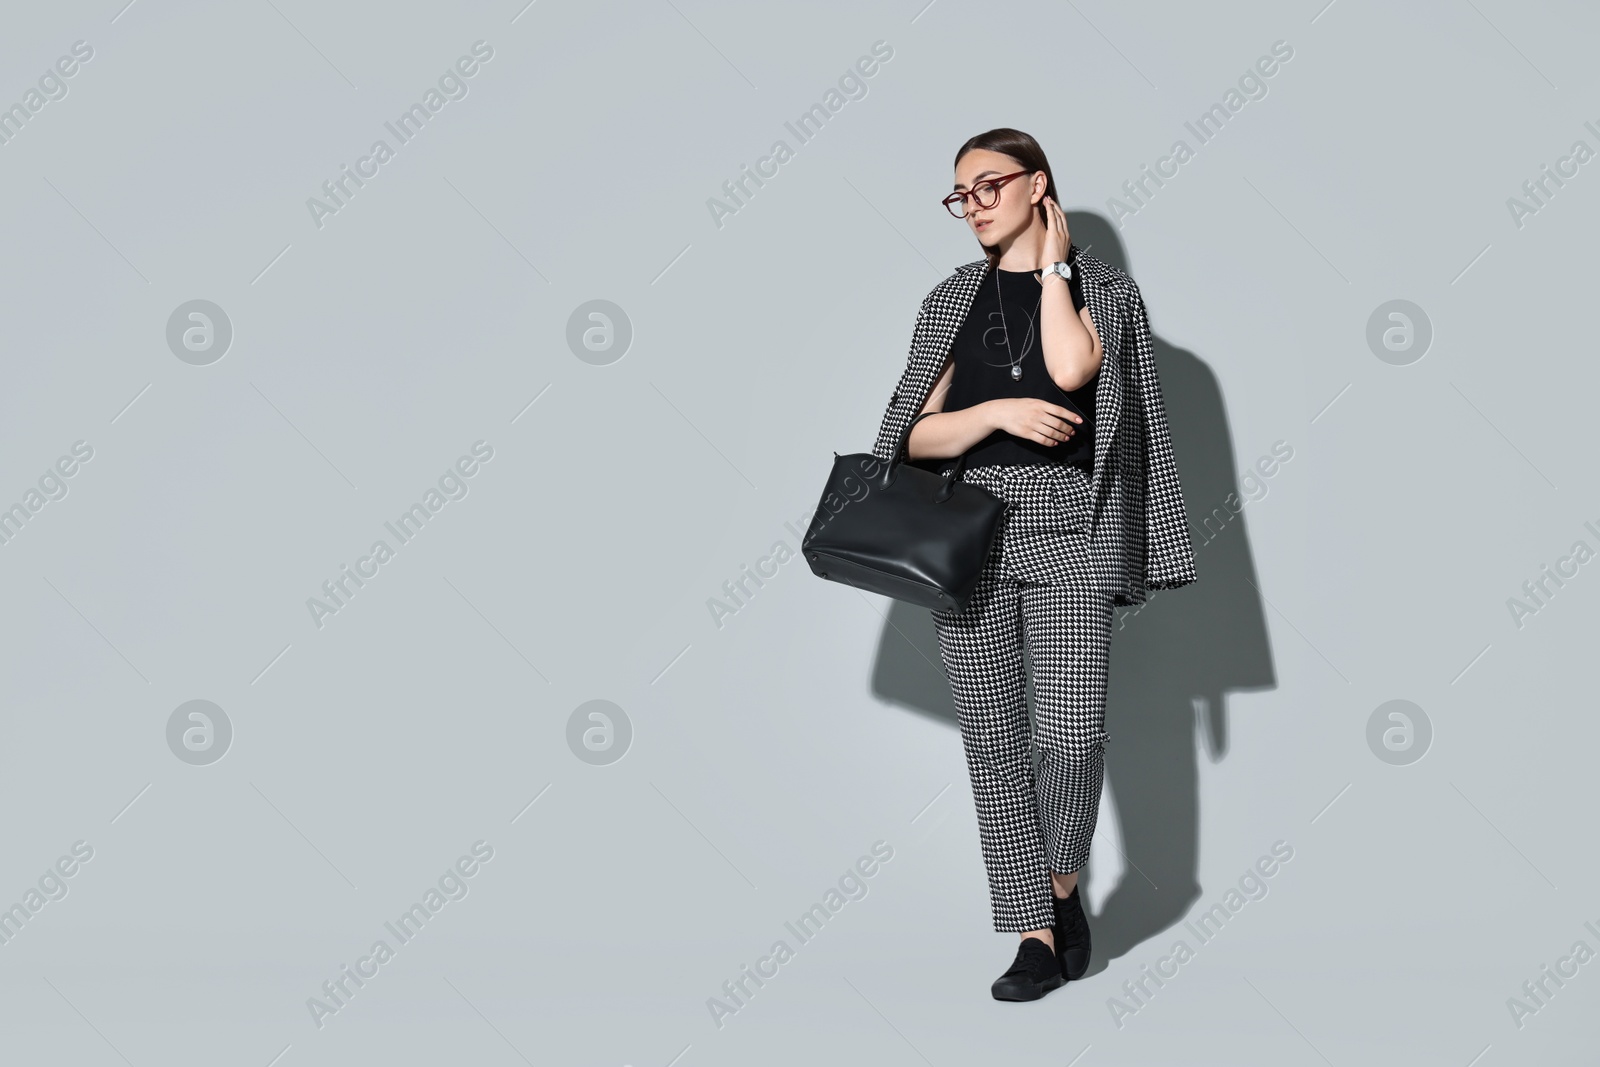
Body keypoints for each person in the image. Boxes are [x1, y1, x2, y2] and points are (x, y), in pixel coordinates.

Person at [869, 128, 1198, 1001]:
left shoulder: (1106, 291)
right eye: (960, 194)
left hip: (1072, 531)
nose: (973, 204)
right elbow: (911, 434)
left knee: (1071, 734)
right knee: (994, 739)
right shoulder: (949, 298)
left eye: (988, 185)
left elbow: (1071, 363)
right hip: (968, 535)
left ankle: (1059, 881)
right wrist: (996, 413)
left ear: (1036, 184)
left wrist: (1054, 268)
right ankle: (1035, 931)